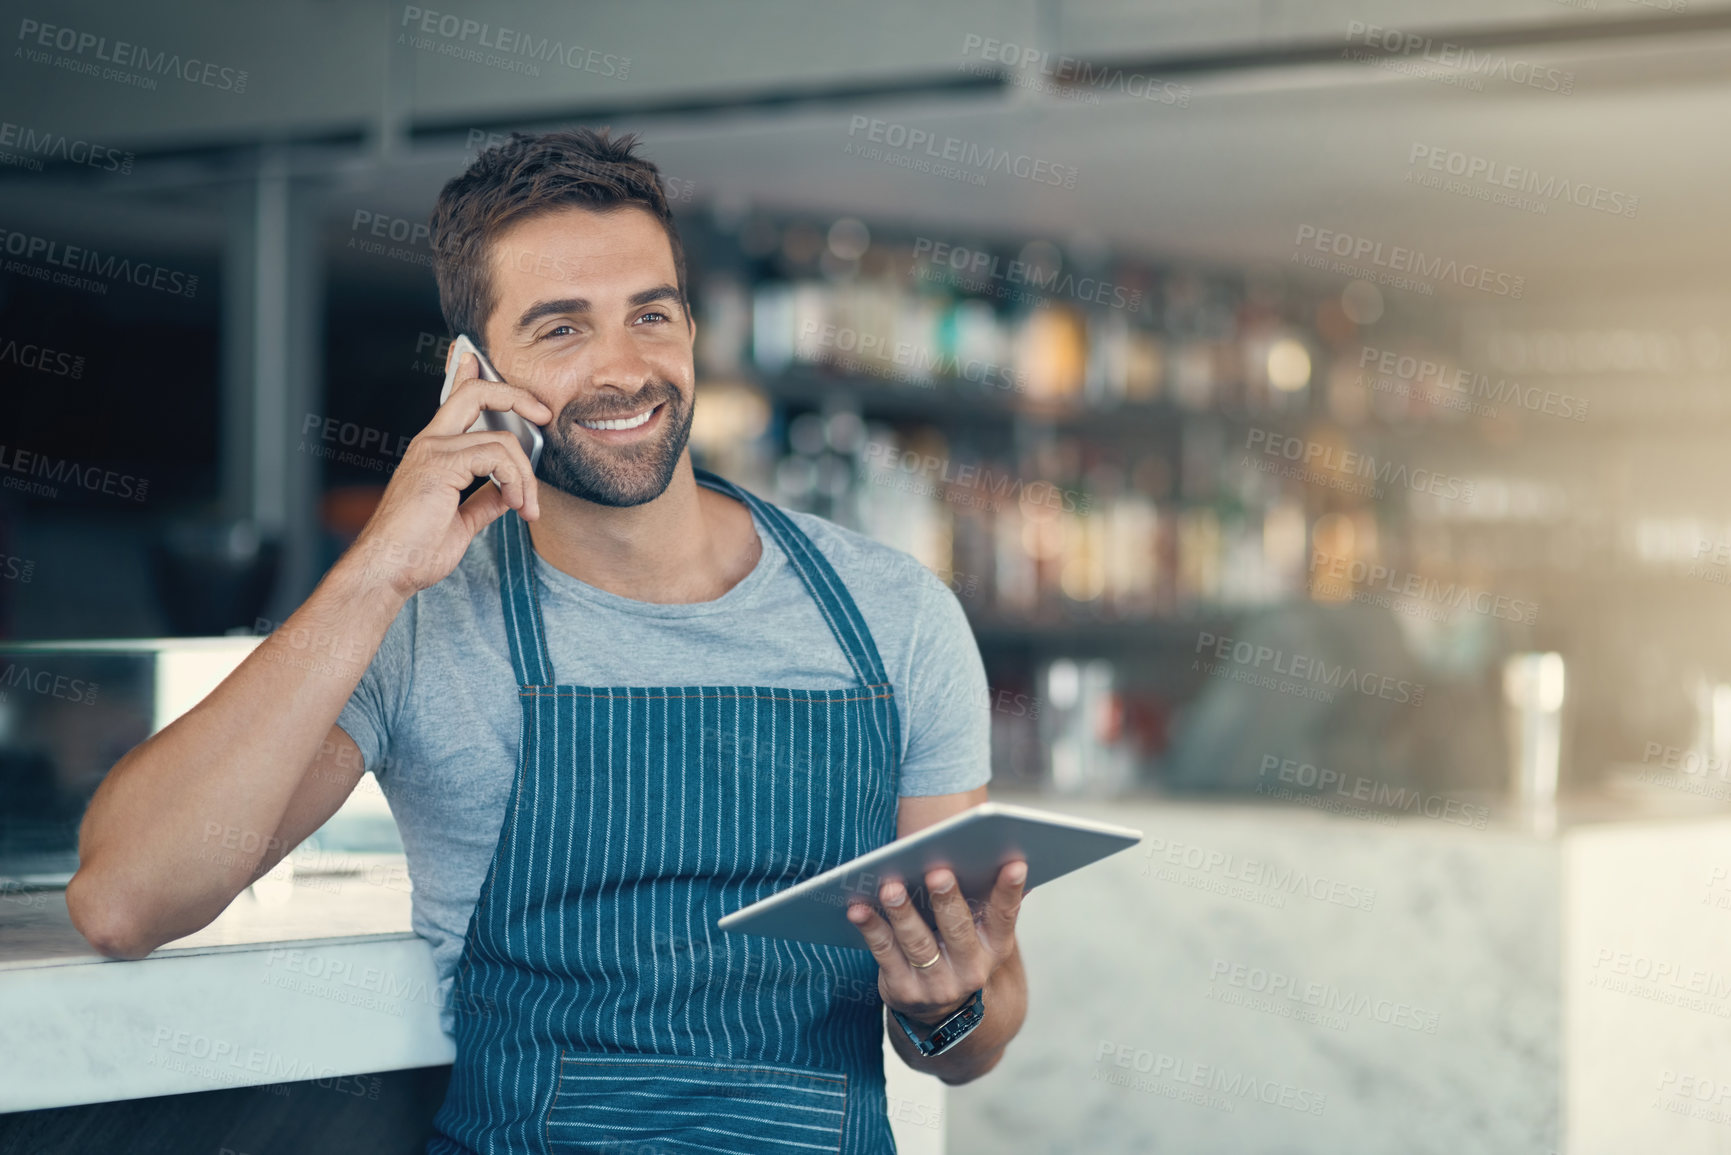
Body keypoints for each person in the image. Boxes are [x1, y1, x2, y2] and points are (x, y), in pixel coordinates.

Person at [66, 127, 1027, 1154]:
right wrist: (377, 566)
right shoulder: (422, 623)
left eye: (650, 315)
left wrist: (949, 1007)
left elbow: (976, 1034)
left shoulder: (894, 614)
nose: (624, 369)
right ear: (474, 372)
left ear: (692, 330)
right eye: (562, 330)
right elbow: (127, 900)